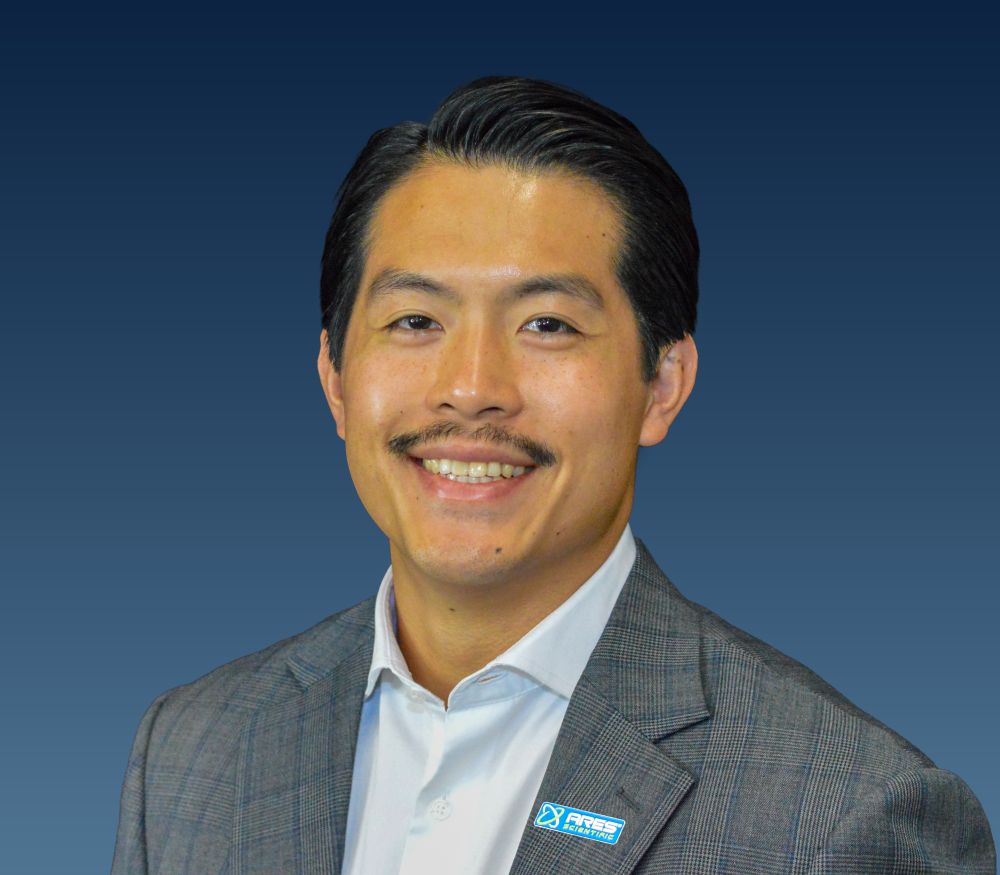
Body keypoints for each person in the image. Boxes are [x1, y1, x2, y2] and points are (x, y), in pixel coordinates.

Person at [111, 76, 995, 875]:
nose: (471, 388)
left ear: (662, 385)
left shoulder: (847, 816)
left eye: (547, 325)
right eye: (415, 320)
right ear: (335, 379)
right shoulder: (192, 751)